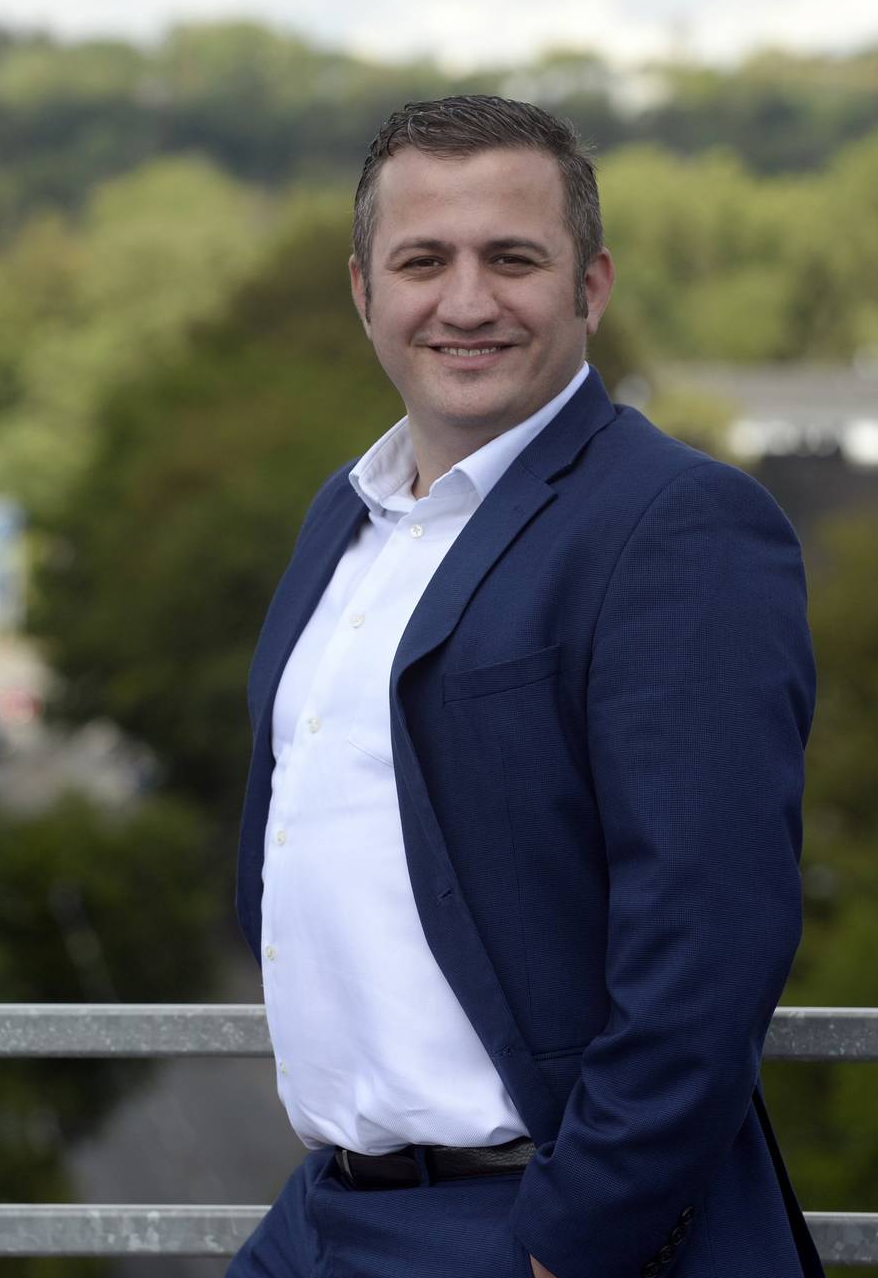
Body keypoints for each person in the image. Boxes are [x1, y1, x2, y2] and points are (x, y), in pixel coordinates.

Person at [228, 94, 822, 1278]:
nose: (466, 301)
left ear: (589, 286)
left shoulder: (676, 522)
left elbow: (708, 939)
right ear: (364, 290)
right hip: (327, 1212)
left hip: (521, 1227)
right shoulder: (344, 517)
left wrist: (577, 1241)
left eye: (512, 258)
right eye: (422, 261)